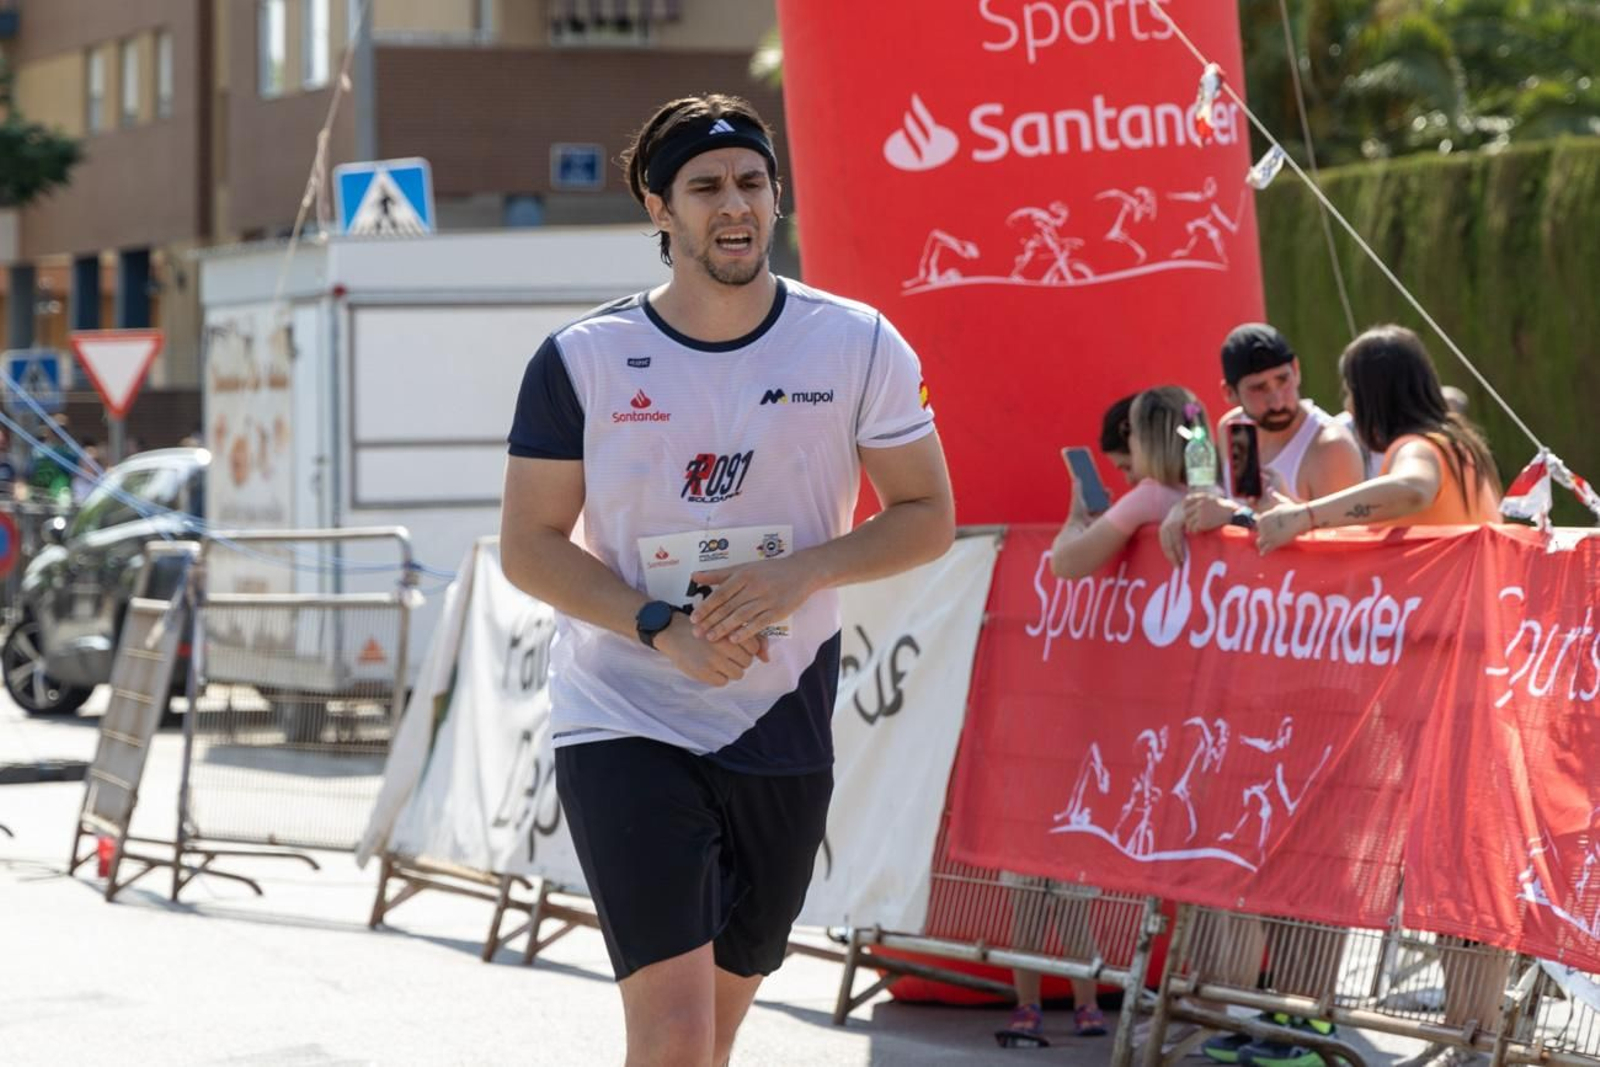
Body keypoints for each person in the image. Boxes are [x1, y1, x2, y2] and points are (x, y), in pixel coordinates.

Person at [498, 93, 955, 1067]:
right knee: (671, 1038)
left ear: (776, 196)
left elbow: (928, 515)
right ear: (659, 212)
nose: (733, 203)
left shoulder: (858, 341)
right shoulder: (582, 360)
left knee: (714, 1037)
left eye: (751, 181)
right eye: (705, 187)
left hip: (779, 716)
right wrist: (660, 623)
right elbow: (528, 545)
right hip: (622, 712)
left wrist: (801, 573)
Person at [1255, 324, 1501, 551]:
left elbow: (1413, 488)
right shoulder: (1459, 443)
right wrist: (1298, 512)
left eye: (1350, 393)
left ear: (1370, 398)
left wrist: (1306, 515)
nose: (1348, 407)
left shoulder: (1417, 448)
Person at [1161, 323, 1365, 566]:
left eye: (1283, 380)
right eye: (1259, 388)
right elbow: (1228, 503)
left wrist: (1235, 517)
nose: (1277, 401)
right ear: (1229, 393)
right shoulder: (1234, 428)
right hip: (1250, 592)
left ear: (1297, 370)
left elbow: (1345, 555)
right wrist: (1184, 510)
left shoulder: (1330, 446)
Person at [1053, 386, 1204, 580]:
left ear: (1143, 441)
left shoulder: (1150, 497)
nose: (1128, 478)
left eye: (1132, 434)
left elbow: (1066, 563)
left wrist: (1075, 521)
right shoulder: (1213, 491)